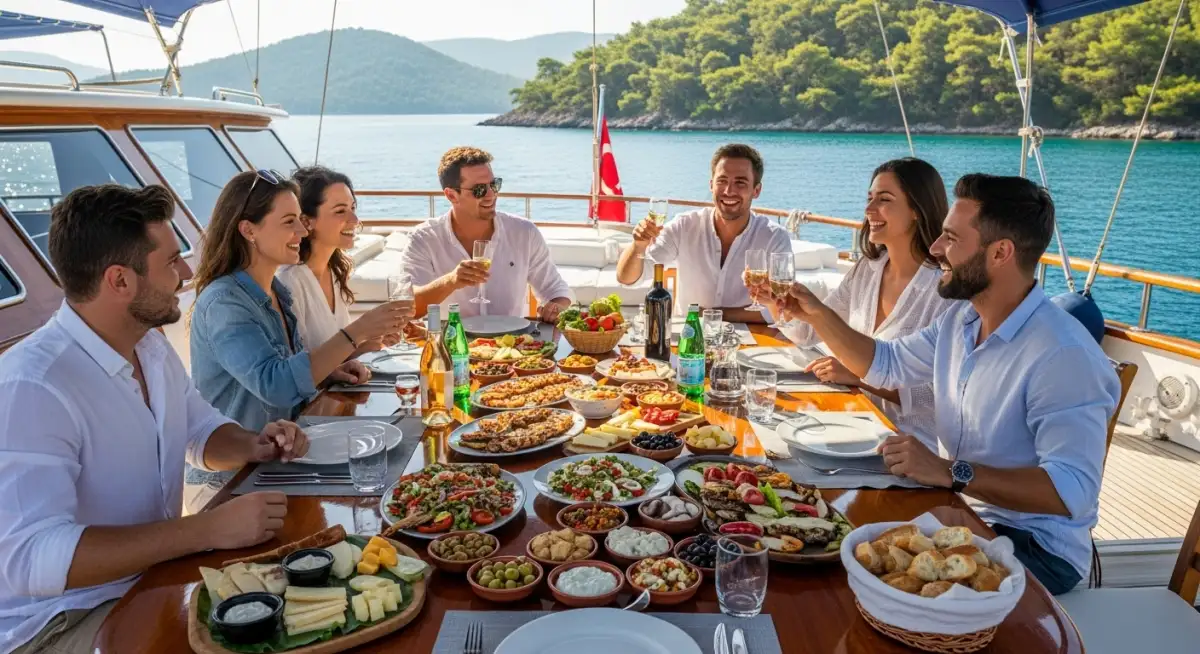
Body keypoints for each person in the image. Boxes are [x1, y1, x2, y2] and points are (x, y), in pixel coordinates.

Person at [0, 184, 309, 654]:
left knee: (306, 601)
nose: (186, 273)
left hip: (151, 579)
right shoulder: (33, 386)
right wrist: (204, 531)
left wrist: (255, 444)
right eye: (170, 262)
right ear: (120, 281)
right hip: (59, 622)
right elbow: (29, 559)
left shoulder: (149, 344)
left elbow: (200, 430)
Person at [776, 173, 1120, 595]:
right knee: (827, 538)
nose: (936, 249)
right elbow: (884, 363)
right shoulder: (961, 319)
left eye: (951, 239)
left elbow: (1073, 491)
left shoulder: (1062, 355)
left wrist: (948, 471)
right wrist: (815, 314)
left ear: (1000, 253)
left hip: (1035, 547)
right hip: (960, 512)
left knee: (851, 578)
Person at [189, 170, 412, 432]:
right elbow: (277, 387)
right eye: (288, 222)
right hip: (245, 466)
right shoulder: (224, 304)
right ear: (248, 229)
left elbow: (289, 368)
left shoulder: (275, 291)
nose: (302, 231)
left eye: (299, 220)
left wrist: (329, 372)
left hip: (290, 444)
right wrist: (358, 331)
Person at [766, 158, 956, 447]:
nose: (869, 210)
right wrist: (777, 303)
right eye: (869, 198)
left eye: (884, 199)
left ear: (917, 210)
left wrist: (859, 376)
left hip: (910, 446)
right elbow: (809, 333)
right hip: (852, 420)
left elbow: (939, 394)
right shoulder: (868, 269)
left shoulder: (943, 291)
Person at [614, 143, 793, 323]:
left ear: (756, 190)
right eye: (722, 181)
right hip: (691, 340)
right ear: (711, 185)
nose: (729, 191)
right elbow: (627, 279)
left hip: (752, 339)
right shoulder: (684, 226)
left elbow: (783, 307)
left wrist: (710, 314)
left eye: (740, 183)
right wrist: (638, 245)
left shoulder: (774, 237)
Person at [400, 146, 572, 321]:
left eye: (494, 185)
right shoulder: (424, 239)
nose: (491, 195)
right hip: (451, 344)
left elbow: (556, 290)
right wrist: (450, 281)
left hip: (511, 344)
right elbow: (408, 307)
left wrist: (557, 306)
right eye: (479, 190)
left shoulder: (524, 233)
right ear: (452, 196)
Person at [278, 166, 398, 355]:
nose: (354, 219)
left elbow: (334, 359)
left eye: (352, 208)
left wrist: (372, 342)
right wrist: (361, 331)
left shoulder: (334, 270)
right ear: (307, 221)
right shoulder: (289, 282)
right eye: (340, 211)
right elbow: (298, 370)